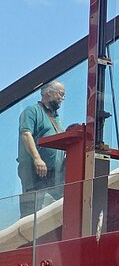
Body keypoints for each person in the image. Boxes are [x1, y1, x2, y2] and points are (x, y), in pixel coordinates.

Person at [17, 81, 66, 217]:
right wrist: (37, 159)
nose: (62, 98)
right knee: (32, 213)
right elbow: (26, 134)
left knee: (58, 209)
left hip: (54, 174)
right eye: (60, 94)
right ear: (48, 92)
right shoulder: (32, 111)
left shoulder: (56, 118)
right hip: (36, 172)